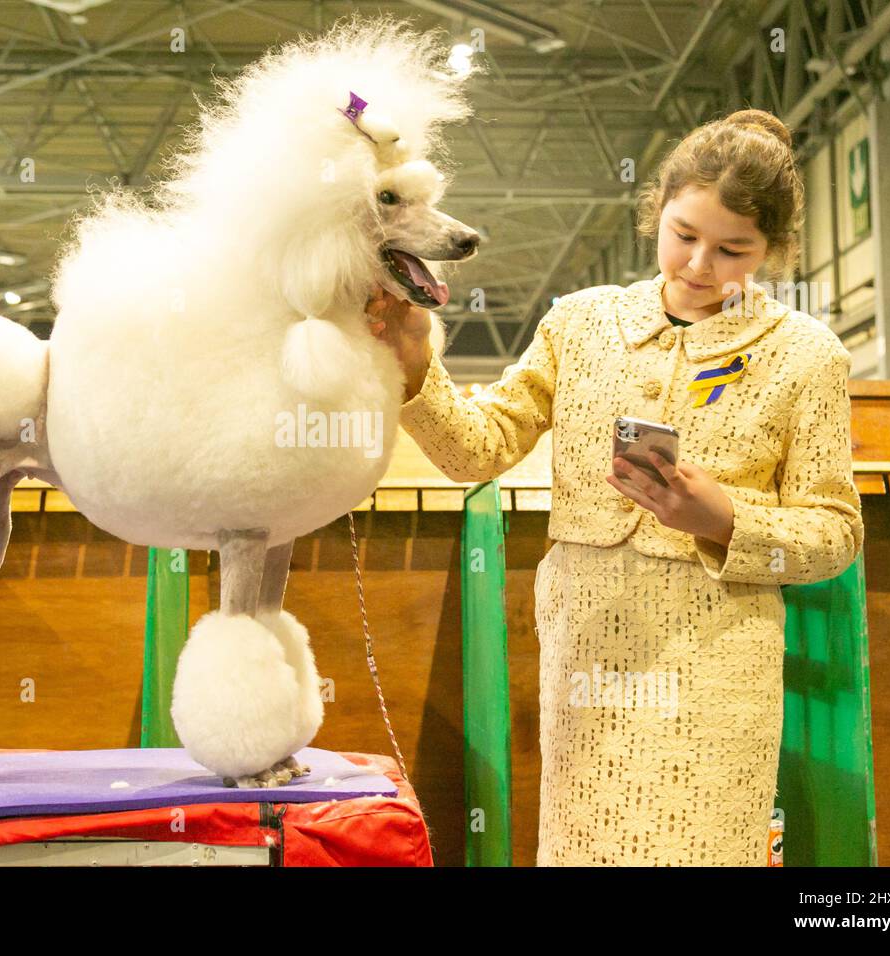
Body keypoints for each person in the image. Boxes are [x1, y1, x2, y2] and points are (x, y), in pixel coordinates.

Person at [367, 108, 864, 866]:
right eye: (683, 234)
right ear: (655, 210)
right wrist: (411, 364)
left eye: (734, 249)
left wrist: (727, 520)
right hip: (588, 658)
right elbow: (477, 451)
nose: (700, 264)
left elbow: (835, 533)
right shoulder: (580, 323)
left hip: (720, 673)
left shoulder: (807, 355)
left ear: (776, 250)